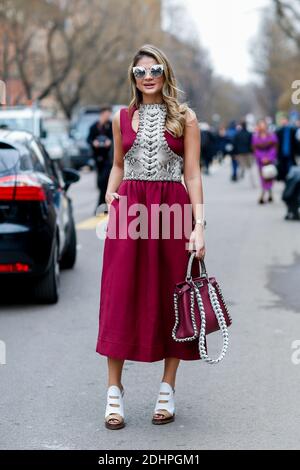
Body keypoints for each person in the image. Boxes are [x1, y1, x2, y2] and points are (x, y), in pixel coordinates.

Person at [96, 44, 206, 429]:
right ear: (133, 77)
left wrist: (199, 225)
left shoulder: (185, 118)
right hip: (130, 212)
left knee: (172, 295)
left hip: (173, 212)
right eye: (140, 71)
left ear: (165, 72)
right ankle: (114, 391)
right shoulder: (123, 118)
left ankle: (167, 387)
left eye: (155, 69)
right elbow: (117, 165)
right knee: (120, 294)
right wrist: (110, 196)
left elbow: (192, 175)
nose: (148, 76)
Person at [87, 105, 113, 213]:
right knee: (100, 183)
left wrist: (110, 142)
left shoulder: (111, 125)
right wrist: (94, 143)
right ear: (102, 114)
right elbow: (89, 139)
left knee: (104, 182)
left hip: (109, 159)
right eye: (106, 114)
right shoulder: (94, 127)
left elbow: (115, 137)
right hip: (98, 158)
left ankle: (102, 207)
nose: (108, 117)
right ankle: (104, 207)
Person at [252, 119, 278, 204]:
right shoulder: (255, 137)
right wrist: (262, 158)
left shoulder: (271, 136)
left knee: (269, 176)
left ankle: (269, 193)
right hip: (261, 161)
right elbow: (255, 149)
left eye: (263, 125)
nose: (262, 126)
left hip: (270, 159)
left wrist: (269, 158)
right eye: (260, 125)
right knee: (263, 177)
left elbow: (274, 147)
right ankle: (263, 194)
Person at [233, 120, 255, 186]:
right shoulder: (250, 134)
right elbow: (252, 143)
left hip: (240, 153)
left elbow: (235, 144)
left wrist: (234, 153)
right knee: (250, 167)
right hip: (249, 153)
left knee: (241, 165)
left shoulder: (237, 134)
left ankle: (241, 173)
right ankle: (252, 182)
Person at [276, 117, 297, 181]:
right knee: (283, 167)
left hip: (290, 152)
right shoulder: (279, 131)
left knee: (291, 166)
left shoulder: (293, 130)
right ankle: (285, 179)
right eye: (283, 121)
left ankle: (291, 179)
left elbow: (295, 142)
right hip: (282, 153)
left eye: (285, 120)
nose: (284, 122)